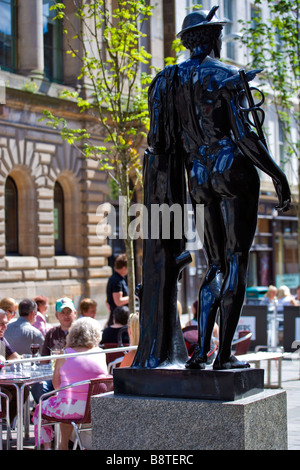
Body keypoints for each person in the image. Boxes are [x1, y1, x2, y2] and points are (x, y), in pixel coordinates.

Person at [132, 6, 291, 370]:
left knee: (214, 264)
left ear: (188, 42)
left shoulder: (169, 80)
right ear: (212, 38)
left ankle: (200, 352)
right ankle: (223, 355)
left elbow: (160, 140)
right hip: (232, 168)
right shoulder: (227, 75)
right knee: (236, 260)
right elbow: (246, 135)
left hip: (198, 174)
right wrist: (277, 175)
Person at [32, 317, 108, 450]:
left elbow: (56, 386)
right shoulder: (101, 354)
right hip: (94, 408)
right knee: (67, 402)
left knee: (40, 407)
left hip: (70, 409)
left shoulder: (64, 354)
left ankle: (51, 446)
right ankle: (64, 444)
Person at [31, 297, 77, 404]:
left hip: (74, 375)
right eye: (62, 313)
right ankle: (48, 411)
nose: (66, 316)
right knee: (38, 387)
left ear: (74, 313)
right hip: (54, 375)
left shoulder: (80, 331)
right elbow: (44, 359)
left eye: (69, 312)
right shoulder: (51, 333)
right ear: (57, 315)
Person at [0, 309, 29, 423]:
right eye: (1, 324)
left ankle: (7, 423)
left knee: (22, 388)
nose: (5, 327)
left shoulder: (1, 339)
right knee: (5, 394)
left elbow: (14, 357)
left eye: (5, 323)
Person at [106, 254, 129, 326]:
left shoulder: (117, 279)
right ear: (124, 267)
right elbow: (118, 302)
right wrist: (133, 296)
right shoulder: (116, 280)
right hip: (118, 321)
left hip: (119, 319)